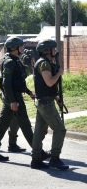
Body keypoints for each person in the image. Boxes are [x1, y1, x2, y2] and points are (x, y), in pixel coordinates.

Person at [0, 37, 50, 161]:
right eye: (20, 46)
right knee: (25, 125)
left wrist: (28, 92)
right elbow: (6, 83)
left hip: (13, 97)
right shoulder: (9, 62)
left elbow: (19, 81)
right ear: (13, 48)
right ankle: (38, 153)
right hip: (13, 98)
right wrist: (12, 101)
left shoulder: (15, 60)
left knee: (2, 124)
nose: (22, 48)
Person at [30, 39, 68, 170]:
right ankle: (55, 159)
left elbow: (47, 86)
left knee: (39, 132)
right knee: (60, 129)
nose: (55, 51)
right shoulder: (44, 64)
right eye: (54, 49)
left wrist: (56, 97)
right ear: (48, 50)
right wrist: (59, 73)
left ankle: (36, 160)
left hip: (44, 101)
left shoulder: (45, 63)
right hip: (45, 103)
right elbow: (50, 82)